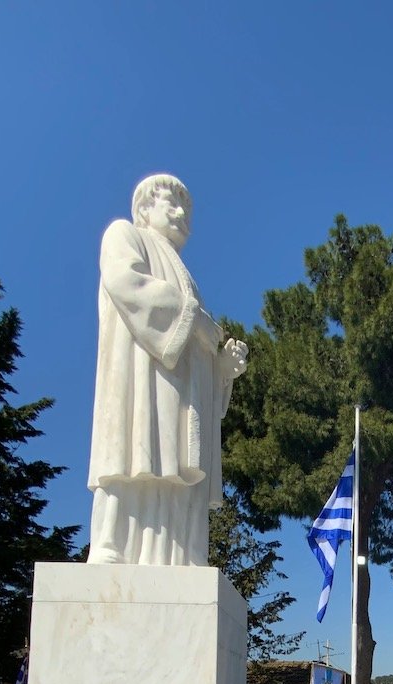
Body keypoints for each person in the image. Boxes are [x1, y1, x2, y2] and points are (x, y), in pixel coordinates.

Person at [87, 174, 249, 566]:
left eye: (187, 210)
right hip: (140, 377)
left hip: (179, 391)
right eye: (171, 204)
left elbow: (197, 343)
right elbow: (126, 283)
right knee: (130, 454)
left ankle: (179, 553)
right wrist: (196, 321)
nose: (181, 215)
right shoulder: (124, 234)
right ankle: (111, 543)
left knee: (177, 467)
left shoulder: (184, 272)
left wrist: (222, 367)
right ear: (144, 207)